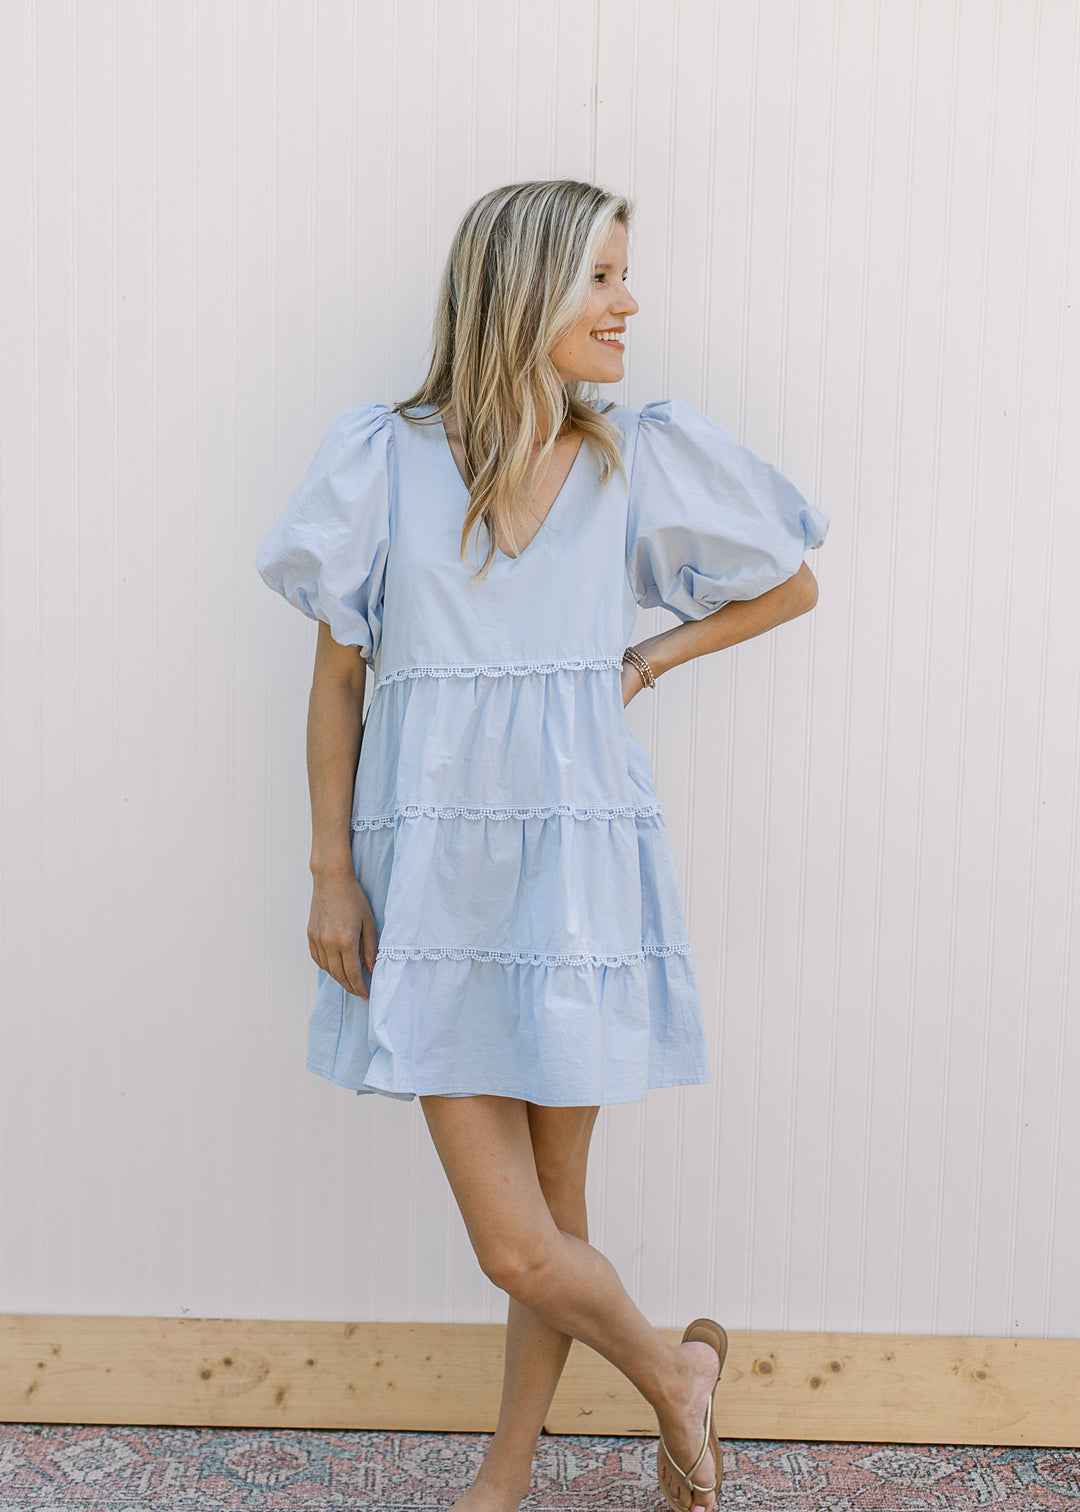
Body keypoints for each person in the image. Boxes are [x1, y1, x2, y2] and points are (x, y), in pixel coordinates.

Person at [256, 179, 829, 1512]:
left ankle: (506, 1476)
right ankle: (678, 1373)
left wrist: (649, 658)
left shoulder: (636, 456)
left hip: (579, 873)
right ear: (524, 289)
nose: (629, 303)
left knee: (557, 1216)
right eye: (603, 278)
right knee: (519, 1245)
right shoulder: (381, 459)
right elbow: (337, 681)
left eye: (627, 276)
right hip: (436, 887)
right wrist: (331, 869)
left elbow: (789, 581)